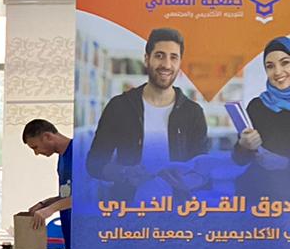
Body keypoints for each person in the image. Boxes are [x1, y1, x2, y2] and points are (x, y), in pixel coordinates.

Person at [85, 26, 208, 182]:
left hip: (177, 197)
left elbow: (202, 169)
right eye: (159, 56)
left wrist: (189, 181)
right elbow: (94, 164)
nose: (167, 65)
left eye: (173, 57)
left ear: (179, 63)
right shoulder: (119, 106)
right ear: (146, 59)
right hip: (128, 197)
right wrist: (124, 173)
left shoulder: (193, 112)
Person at [233, 37, 290, 197]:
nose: (277, 72)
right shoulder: (257, 106)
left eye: (285, 63)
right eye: (270, 66)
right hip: (258, 194)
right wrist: (243, 146)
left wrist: (284, 163)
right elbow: (239, 160)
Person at [23, 119, 73, 249]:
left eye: (35, 147)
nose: (37, 153)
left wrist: (50, 210)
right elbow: (67, 196)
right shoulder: (62, 158)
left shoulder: (81, 152)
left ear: (47, 136)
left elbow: (86, 196)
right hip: (70, 236)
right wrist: (43, 204)